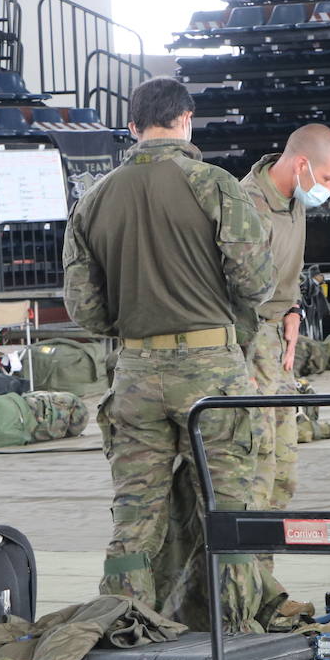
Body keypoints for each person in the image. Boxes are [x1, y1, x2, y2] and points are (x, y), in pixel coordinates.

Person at [63, 77, 274, 629]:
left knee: (135, 516)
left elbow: (84, 309)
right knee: (228, 509)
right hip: (211, 374)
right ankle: (234, 633)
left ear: (133, 128)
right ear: (186, 119)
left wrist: (134, 327)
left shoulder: (94, 198)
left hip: (134, 375)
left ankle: (125, 625)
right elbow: (254, 280)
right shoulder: (215, 185)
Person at [241, 124, 330, 517]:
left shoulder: (293, 200)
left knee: (284, 465)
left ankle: (264, 565)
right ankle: (247, 570)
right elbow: (223, 286)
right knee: (258, 459)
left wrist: (293, 309)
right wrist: (242, 357)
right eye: (327, 178)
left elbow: (285, 270)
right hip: (248, 340)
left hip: (275, 340)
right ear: (302, 164)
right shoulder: (244, 205)